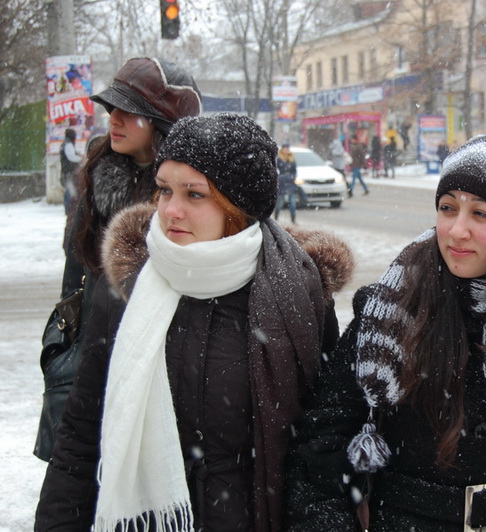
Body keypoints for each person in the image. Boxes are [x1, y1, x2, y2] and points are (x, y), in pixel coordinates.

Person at [35, 113, 355, 532]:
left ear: (238, 206)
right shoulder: (127, 288)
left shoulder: (298, 291)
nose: (171, 210)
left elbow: (321, 441)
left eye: (195, 194)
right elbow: (81, 432)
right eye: (164, 189)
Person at [286, 129, 486, 531]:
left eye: (480, 214)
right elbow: (320, 446)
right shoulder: (390, 310)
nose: (456, 229)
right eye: (448, 208)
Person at [33, 56, 203, 462]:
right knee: (81, 476)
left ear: (162, 123)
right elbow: (76, 272)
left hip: (160, 369)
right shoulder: (99, 173)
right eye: (112, 108)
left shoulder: (192, 195)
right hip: (92, 359)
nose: (114, 118)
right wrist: (64, 349)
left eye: (129, 110)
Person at [59, 128, 82, 250]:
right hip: (69, 174)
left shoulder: (65, 144)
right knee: (71, 193)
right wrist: (80, 158)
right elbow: (72, 157)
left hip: (66, 173)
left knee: (70, 193)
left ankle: (69, 208)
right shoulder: (68, 145)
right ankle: (69, 209)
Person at [275, 143, 298, 224]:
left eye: (288, 148)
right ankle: (276, 216)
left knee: (292, 203)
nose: (286, 150)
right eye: (285, 148)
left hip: (290, 183)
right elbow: (276, 171)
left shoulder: (292, 159)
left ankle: (293, 219)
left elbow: (294, 171)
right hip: (282, 184)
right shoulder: (279, 159)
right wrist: (281, 178)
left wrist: (292, 177)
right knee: (280, 202)